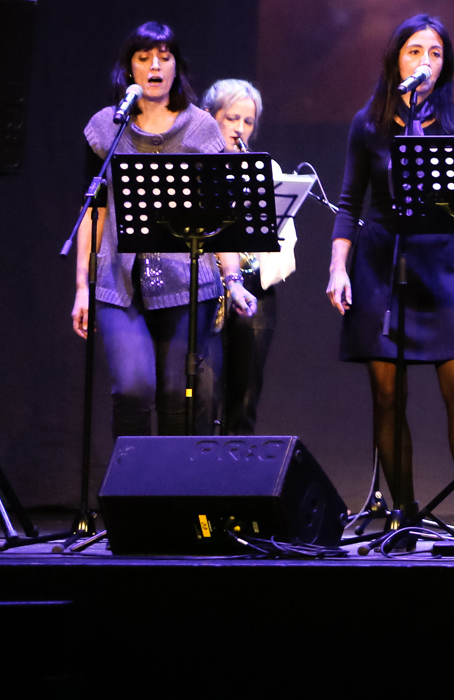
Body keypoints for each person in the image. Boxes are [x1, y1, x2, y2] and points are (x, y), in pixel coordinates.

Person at [326, 14, 454, 519]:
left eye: (436, 53)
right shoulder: (369, 122)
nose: (425, 61)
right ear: (396, 58)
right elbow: (348, 202)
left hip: (444, 265)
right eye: (415, 51)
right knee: (386, 396)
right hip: (382, 264)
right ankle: (403, 511)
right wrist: (339, 268)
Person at [72, 23, 257, 436]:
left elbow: (219, 215)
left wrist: (233, 279)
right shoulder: (107, 127)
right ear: (129, 69)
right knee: (134, 390)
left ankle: (172, 499)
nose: (155, 66)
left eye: (164, 56)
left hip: (188, 283)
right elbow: (93, 211)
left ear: (176, 66)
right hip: (120, 283)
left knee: (178, 395)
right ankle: (130, 498)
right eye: (144, 57)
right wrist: (83, 287)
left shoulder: (201, 128)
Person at [203, 79, 299, 435]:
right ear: (211, 118)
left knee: (244, 398)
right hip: (204, 292)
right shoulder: (196, 165)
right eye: (232, 118)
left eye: (248, 121)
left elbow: (286, 238)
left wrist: (257, 269)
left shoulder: (266, 171)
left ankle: (236, 484)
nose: (241, 128)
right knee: (204, 394)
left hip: (253, 290)